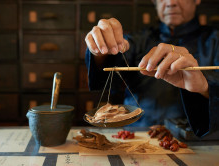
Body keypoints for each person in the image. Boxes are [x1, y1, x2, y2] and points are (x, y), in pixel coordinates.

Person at [85, 0, 219, 138]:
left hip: (193, 140)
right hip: (137, 134)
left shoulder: (215, 40)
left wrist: (204, 86)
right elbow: (105, 77)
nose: (170, 2)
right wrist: (101, 49)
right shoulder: (138, 39)